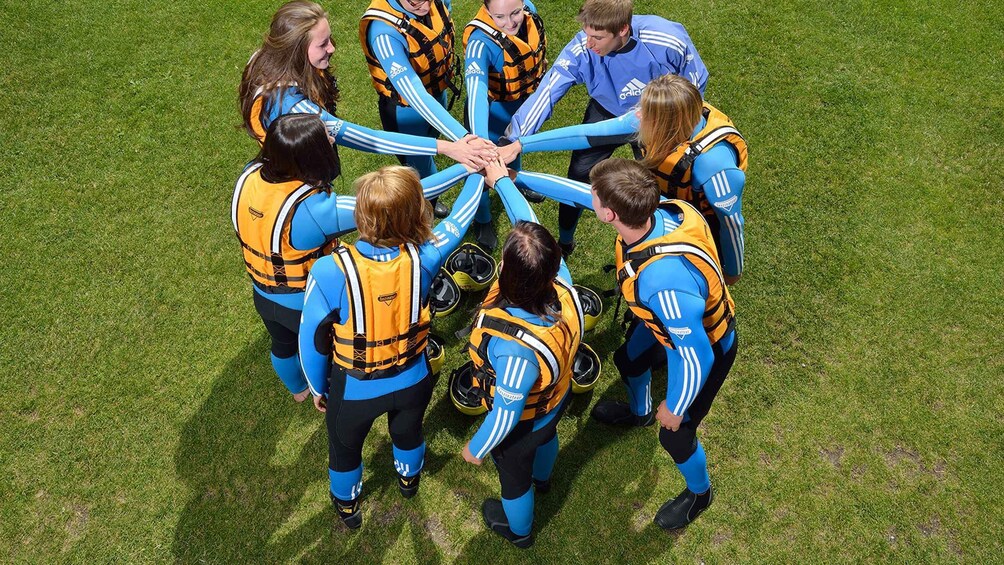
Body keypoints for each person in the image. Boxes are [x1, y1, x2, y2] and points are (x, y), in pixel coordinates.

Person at [510, 158, 738, 530]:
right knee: (629, 360)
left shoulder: (661, 283)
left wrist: (677, 406)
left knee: (675, 438)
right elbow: (581, 194)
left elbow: (695, 355)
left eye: (596, 199)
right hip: (664, 321)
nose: (590, 198)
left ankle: (700, 493)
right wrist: (513, 176)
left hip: (708, 343)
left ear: (610, 214)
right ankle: (640, 412)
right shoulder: (665, 209)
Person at [233, 114, 472, 403]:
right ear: (310, 156)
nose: (333, 139)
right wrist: (465, 167)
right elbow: (393, 203)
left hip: (261, 292)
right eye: (326, 138)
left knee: (281, 346)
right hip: (302, 301)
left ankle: (299, 392)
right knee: (326, 350)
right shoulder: (314, 211)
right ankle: (324, 390)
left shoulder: (249, 175)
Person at [298, 167, 485, 529]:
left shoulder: (328, 271)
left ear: (361, 214)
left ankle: (349, 508)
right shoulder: (427, 257)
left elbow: (312, 342)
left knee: (344, 450)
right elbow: (458, 222)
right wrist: (480, 172)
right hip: (414, 379)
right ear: (416, 213)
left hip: (354, 390)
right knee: (410, 431)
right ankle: (408, 480)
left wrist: (319, 388)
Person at [497, 0, 707, 257]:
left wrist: (675, 125)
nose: (588, 44)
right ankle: (565, 242)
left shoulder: (666, 39)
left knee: (661, 183)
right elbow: (549, 91)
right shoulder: (581, 49)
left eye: (597, 37)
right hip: (605, 111)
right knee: (577, 175)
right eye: (586, 34)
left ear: (622, 30)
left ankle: (666, 243)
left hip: (656, 120)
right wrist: (512, 138)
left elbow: (694, 84)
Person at [503, 74, 748, 283]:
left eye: (645, 114)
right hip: (664, 205)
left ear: (667, 125)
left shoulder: (715, 166)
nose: (636, 117)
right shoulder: (671, 116)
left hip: (696, 228)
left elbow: (730, 223)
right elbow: (589, 134)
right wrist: (520, 145)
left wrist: (732, 272)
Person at [460, 158, 583, 548]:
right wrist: (500, 180)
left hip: (523, 424)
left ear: (506, 272)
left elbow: (506, 413)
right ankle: (545, 480)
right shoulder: (561, 283)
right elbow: (526, 217)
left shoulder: (514, 351)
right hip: (557, 397)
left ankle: (520, 532)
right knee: (548, 440)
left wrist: (477, 448)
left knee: (513, 478)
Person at [239, 1, 491, 170]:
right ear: (294, 50)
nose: (333, 48)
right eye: (323, 44)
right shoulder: (292, 107)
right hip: (299, 174)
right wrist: (451, 146)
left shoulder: (270, 59)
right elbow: (369, 140)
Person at [360, 0, 495, 216]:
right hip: (406, 114)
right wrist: (465, 138)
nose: (424, 6)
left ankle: (432, 201)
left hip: (437, 95)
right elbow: (414, 93)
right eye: (414, 1)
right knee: (421, 169)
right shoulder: (383, 32)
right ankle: (426, 212)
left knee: (432, 145)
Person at [461, 0, 548, 250]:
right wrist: (478, 139)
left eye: (515, 13)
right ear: (487, 11)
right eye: (499, 17)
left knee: (514, 151)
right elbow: (476, 90)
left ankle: (516, 184)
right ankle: (483, 219)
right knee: (482, 168)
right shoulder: (479, 42)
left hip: (520, 107)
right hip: (489, 115)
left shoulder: (530, 11)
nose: (510, 23)